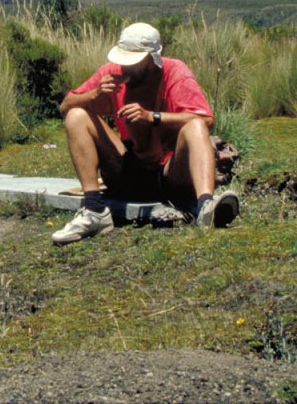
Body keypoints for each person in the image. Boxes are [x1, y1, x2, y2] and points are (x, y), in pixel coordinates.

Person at [51, 22, 239, 245]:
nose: (126, 68)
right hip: (127, 168)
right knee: (76, 115)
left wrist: (152, 117)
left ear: (152, 58)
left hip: (169, 173)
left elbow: (206, 119)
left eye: (134, 61)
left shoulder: (174, 71)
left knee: (195, 125)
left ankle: (206, 207)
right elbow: (66, 107)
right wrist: (95, 94)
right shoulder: (112, 72)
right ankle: (94, 211)